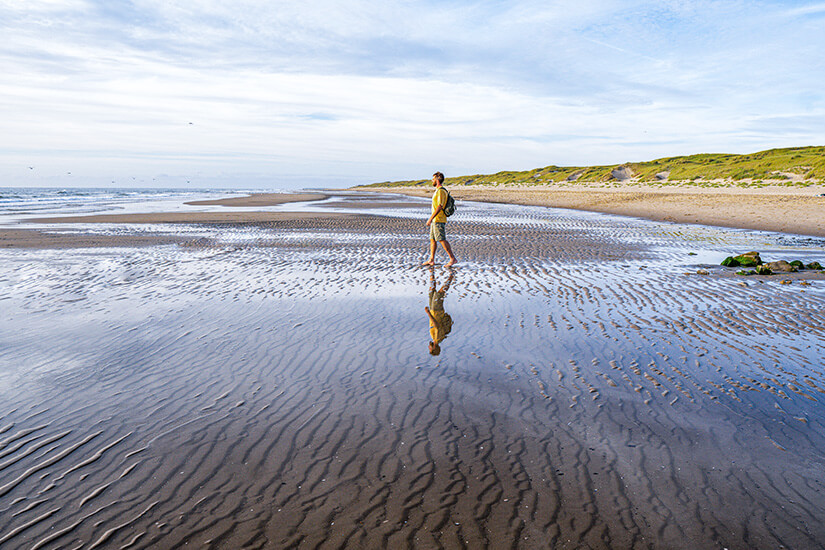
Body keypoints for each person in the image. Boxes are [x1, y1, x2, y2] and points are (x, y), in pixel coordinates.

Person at [421, 171, 457, 267]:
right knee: (432, 239)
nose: (432, 181)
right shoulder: (438, 190)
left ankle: (452, 258)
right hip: (435, 220)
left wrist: (430, 218)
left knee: (441, 239)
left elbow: (440, 206)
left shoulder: (441, 191)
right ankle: (431, 260)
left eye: (433, 179)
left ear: (437, 180)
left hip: (439, 219)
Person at [425, 268, 454, 355]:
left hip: (433, 310)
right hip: (437, 311)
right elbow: (436, 325)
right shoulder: (437, 338)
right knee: (440, 293)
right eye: (430, 349)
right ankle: (451, 276)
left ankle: (431, 271)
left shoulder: (435, 338)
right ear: (434, 348)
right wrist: (428, 313)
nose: (428, 347)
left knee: (431, 291)